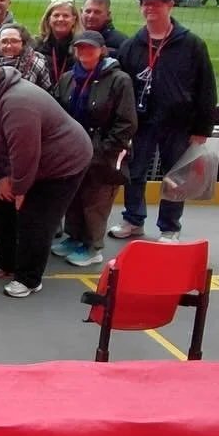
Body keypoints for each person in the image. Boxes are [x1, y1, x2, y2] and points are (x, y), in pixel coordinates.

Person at [0, 55, 93, 298]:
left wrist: (21, 190)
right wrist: (2, 177)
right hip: (24, 162)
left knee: (35, 219)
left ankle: (29, 278)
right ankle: (7, 261)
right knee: (0, 205)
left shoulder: (18, 101)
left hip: (62, 164)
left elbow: (26, 153)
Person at [111, 0, 218, 242]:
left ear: (171, 5)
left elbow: (206, 88)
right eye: (145, 3)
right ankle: (133, 220)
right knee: (134, 173)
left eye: (156, 3)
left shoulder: (192, 45)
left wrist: (202, 129)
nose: (150, 8)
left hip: (177, 124)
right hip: (141, 122)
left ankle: (170, 227)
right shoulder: (132, 45)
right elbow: (120, 87)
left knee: (175, 176)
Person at [53, 31, 138, 267]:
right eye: (80, 48)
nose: (84, 52)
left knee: (96, 200)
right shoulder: (68, 78)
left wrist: (104, 149)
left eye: (90, 48)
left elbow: (127, 122)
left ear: (102, 50)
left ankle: (93, 246)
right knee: (74, 196)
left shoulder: (120, 80)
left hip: (102, 153)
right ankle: (74, 237)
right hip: (73, 151)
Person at [35, 0, 80, 93]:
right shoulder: (36, 46)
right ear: (48, 19)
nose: (60, 19)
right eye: (56, 15)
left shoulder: (81, 46)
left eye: (66, 16)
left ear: (74, 19)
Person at [0, 24, 53, 92]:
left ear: (24, 43)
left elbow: (47, 93)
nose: (9, 46)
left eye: (14, 41)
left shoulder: (36, 63)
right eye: (4, 42)